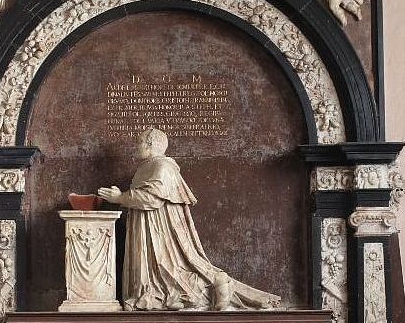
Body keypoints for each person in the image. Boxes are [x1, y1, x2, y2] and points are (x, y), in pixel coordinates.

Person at [98, 127, 281, 312]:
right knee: (161, 271)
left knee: (168, 268)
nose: (136, 147)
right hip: (147, 225)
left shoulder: (163, 167)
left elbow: (152, 198)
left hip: (160, 228)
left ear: (150, 144)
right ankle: (168, 294)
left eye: (139, 142)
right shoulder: (149, 166)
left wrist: (120, 198)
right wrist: (122, 197)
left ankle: (214, 284)